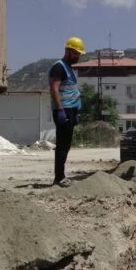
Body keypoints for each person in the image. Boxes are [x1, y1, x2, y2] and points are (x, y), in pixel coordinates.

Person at [49, 36, 85, 187]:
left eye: (78, 54)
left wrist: (76, 112)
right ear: (68, 51)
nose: (77, 56)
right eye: (75, 53)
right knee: (62, 145)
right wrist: (61, 111)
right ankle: (59, 178)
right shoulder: (59, 67)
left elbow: (70, 91)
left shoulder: (68, 68)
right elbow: (54, 89)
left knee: (67, 144)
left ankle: (61, 176)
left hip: (70, 111)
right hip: (63, 111)